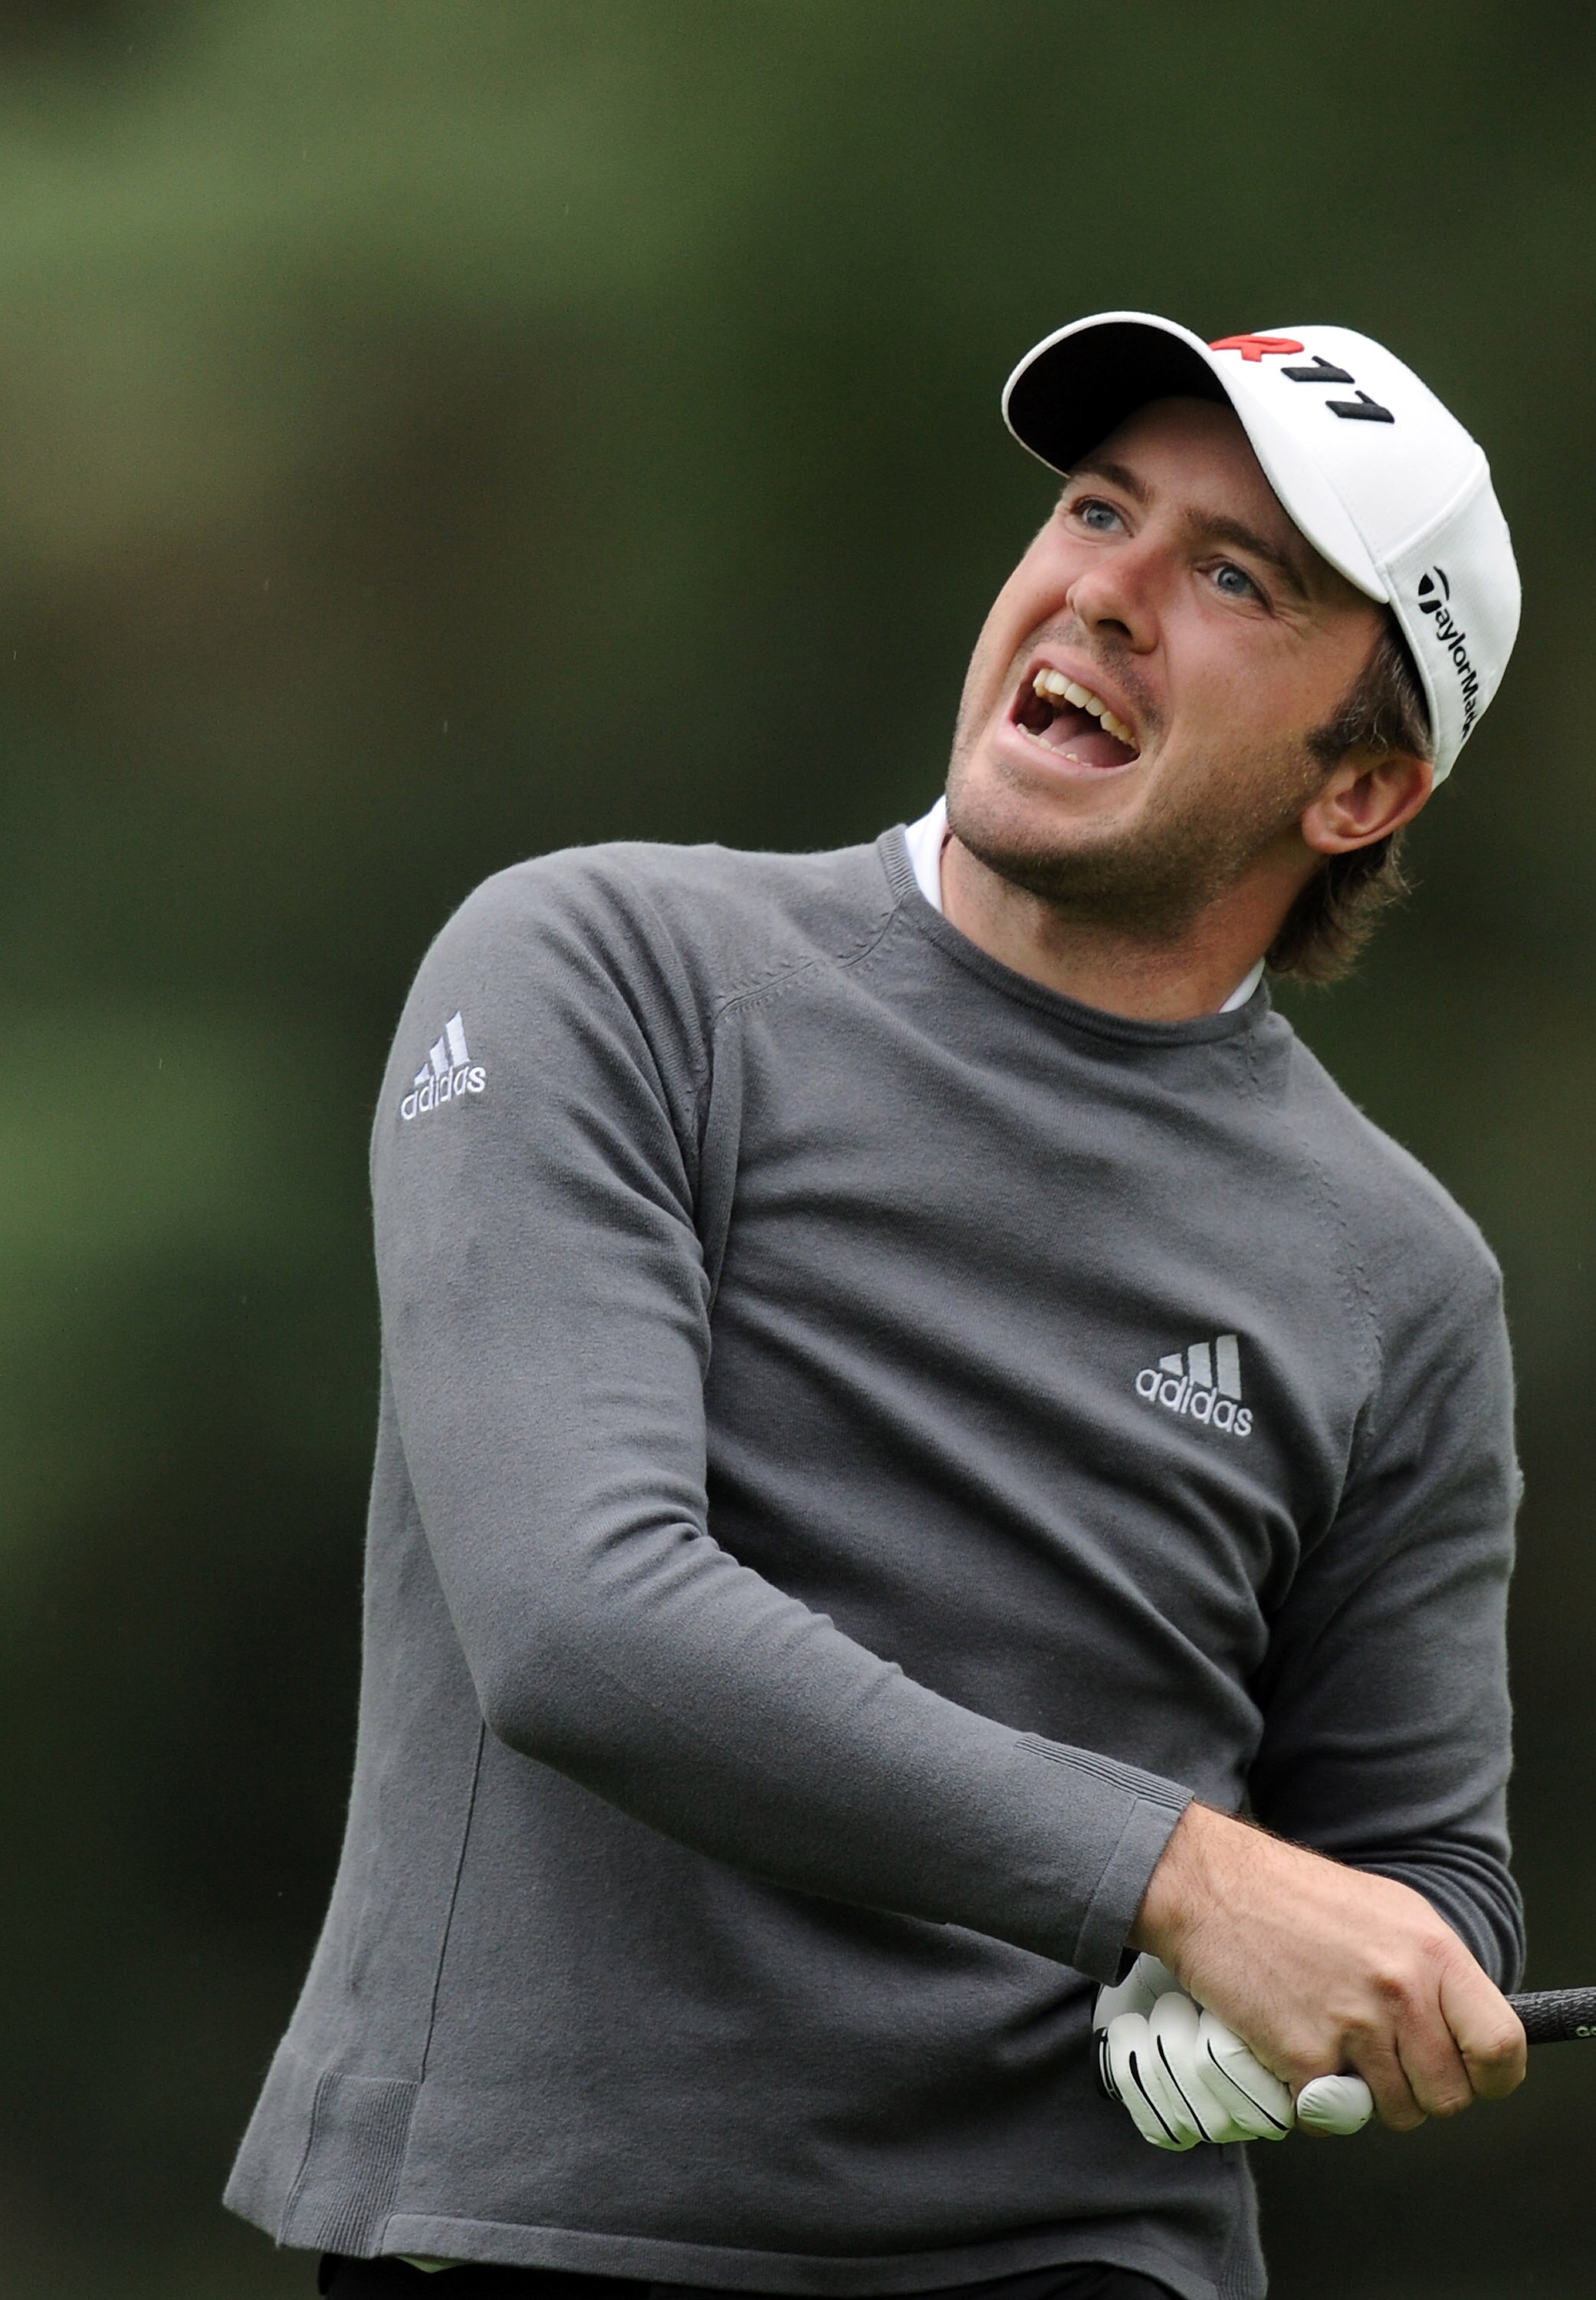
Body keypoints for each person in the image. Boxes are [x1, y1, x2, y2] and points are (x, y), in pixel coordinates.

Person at [227, 311, 1529, 2300]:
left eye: (1233, 577)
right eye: (1100, 511)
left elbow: (1425, 1881)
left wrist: (1362, 2003)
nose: (1102, 590)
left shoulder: (1401, 1276)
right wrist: (1182, 1885)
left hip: (1087, 2259)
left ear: (1359, 789)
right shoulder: (608, 969)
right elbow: (580, 1621)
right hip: (536, 2242)